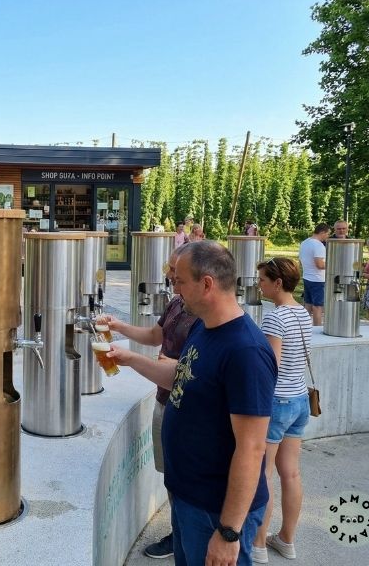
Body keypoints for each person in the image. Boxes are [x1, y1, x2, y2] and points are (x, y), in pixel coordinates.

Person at [108, 241, 277, 565]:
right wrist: (129, 359)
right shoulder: (204, 326)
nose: (174, 288)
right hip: (189, 499)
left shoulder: (246, 352)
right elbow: (183, 374)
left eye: (179, 281)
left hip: (216, 512)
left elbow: (252, 449)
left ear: (207, 284)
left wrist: (228, 533)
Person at [96, 250, 197, 560]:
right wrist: (119, 326)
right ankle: (179, 534)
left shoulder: (204, 315)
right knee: (170, 476)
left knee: (188, 481)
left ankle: (189, 539)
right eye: (169, 269)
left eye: (174, 270)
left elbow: (194, 370)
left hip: (187, 408)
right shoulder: (176, 304)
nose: (168, 275)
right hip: (163, 400)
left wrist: (140, 361)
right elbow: (156, 336)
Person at [251, 257, 312, 564]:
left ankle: (259, 544)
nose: (258, 285)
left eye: (262, 280)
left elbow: (269, 366)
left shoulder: (276, 318)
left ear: (277, 283)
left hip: (278, 402)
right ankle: (286, 539)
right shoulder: (303, 313)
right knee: (291, 473)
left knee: (264, 475)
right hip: (300, 399)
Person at [298, 223, 330, 326]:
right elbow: (320, 265)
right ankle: (317, 328)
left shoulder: (304, 242)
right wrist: (332, 264)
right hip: (318, 279)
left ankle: (305, 327)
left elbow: (301, 260)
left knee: (308, 304)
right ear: (322, 232)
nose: (327, 236)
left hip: (307, 277)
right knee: (317, 306)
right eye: (327, 234)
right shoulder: (318, 245)